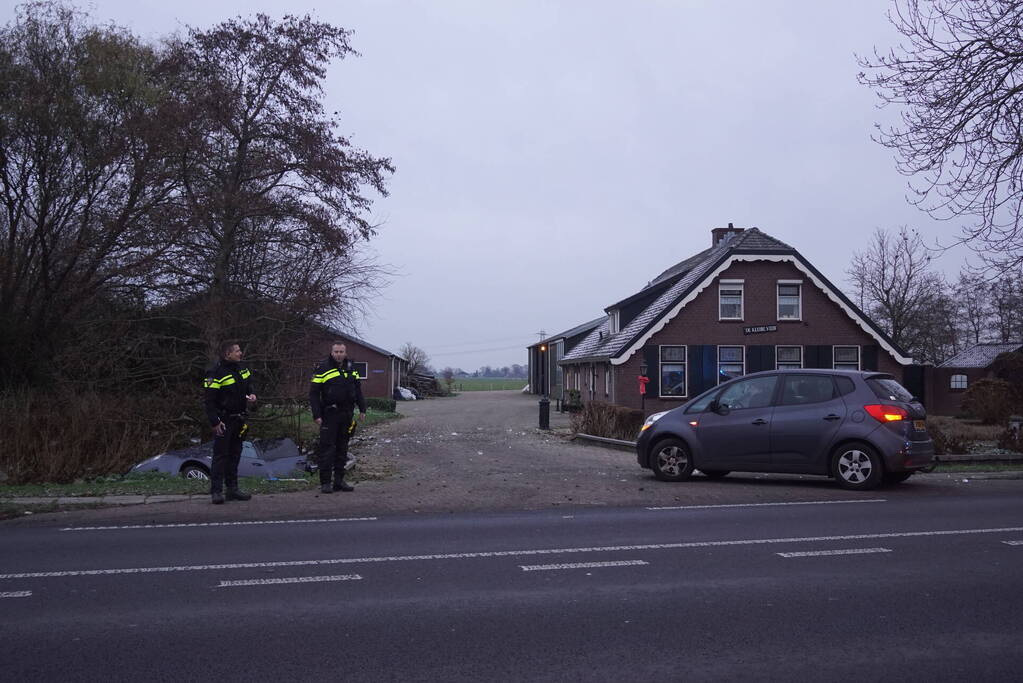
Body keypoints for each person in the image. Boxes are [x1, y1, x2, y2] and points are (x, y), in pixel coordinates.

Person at [203, 341, 257, 504]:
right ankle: (216, 491)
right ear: (228, 354)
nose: (240, 353)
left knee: (235, 454)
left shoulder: (242, 367)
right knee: (220, 456)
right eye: (237, 351)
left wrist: (252, 394)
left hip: (239, 418)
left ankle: (232, 489)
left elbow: (249, 385)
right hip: (224, 421)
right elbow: (209, 401)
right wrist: (215, 422)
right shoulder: (215, 372)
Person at [309, 342, 367, 493]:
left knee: (343, 448)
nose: (339, 354)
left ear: (345, 353)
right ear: (332, 352)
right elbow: (314, 393)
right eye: (336, 351)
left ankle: (339, 481)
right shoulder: (323, 367)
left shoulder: (351, 367)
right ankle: (326, 482)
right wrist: (316, 414)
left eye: (341, 351)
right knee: (328, 449)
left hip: (347, 414)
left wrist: (362, 409)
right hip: (329, 414)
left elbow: (358, 390)